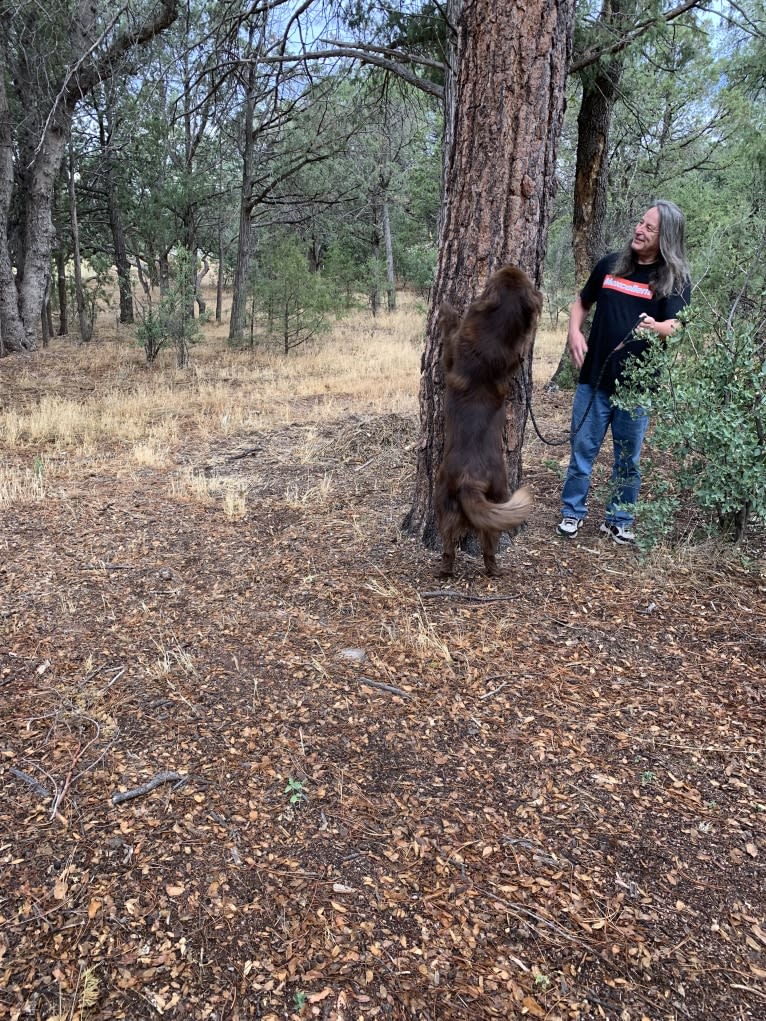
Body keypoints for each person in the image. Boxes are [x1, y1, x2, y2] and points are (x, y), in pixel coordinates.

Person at [557, 200, 691, 544]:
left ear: (666, 238)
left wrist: (654, 326)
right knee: (582, 450)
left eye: (649, 227)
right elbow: (581, 301)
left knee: (627, 460)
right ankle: (572, 513)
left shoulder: (674, 281)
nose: (639, 230)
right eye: (640, 223)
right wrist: (574, 331)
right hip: (594, 381)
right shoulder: (611, 265)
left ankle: (619, 519)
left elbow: (676, 326)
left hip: (637, 389)